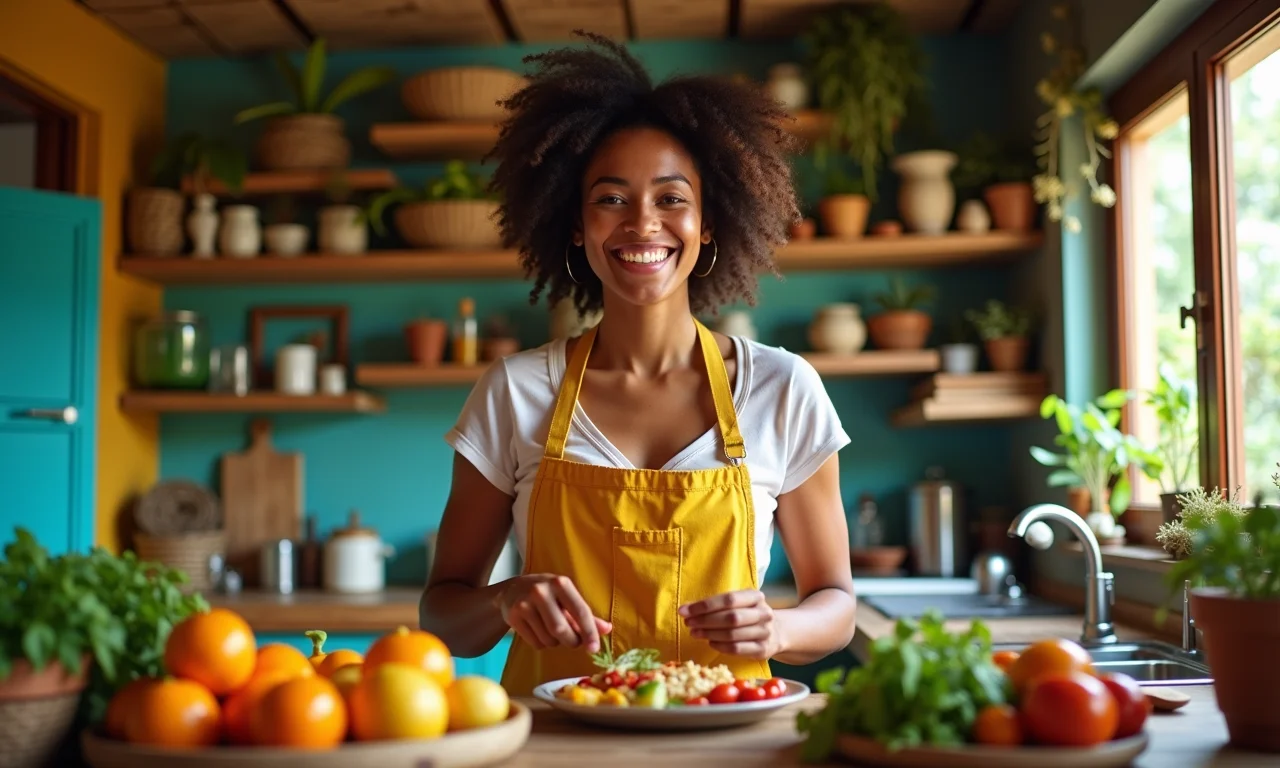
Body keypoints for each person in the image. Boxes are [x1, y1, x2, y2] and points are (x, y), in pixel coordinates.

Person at [420, 31, 857, 697]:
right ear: (575, 224)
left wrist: (780, 628)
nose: (642, 223)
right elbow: (444, 615)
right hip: (559, 745)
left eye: (672, 198)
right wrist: (504, 601)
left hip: (725, 739)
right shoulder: (515, 391)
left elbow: (837, 605)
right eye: (611, 197)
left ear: (709, 221)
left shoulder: (782, 387)